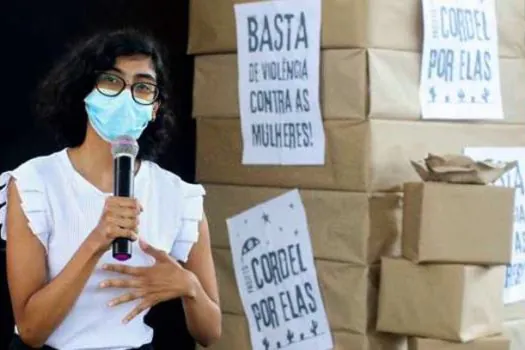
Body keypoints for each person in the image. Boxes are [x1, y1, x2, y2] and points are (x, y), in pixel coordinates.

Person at [0, 29, 221, 350]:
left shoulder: (178, 196)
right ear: (85, 91)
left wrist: (189, 288)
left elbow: (210, 333)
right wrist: (97, 240)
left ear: (155, 107)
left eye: (143, 87)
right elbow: (31, 329)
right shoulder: (35, 183)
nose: (126, 96)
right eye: (112, 81)